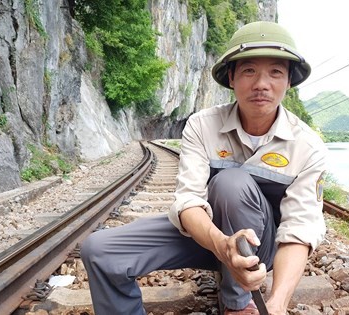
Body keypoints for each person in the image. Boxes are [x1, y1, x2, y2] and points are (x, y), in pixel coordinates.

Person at [81, 21, 327, 315]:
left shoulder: (307, 146)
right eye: (249, 70)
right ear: (232, 77)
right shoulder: (202, 125)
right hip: (211, 238)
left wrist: (276, 304)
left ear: (288, 81)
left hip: (264, 249)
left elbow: (299, 229)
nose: (262, 83)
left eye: (275, 72)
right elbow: (188, 202)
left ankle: (237, 304)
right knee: (100, 251)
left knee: (232, 183)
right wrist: (223, 246)